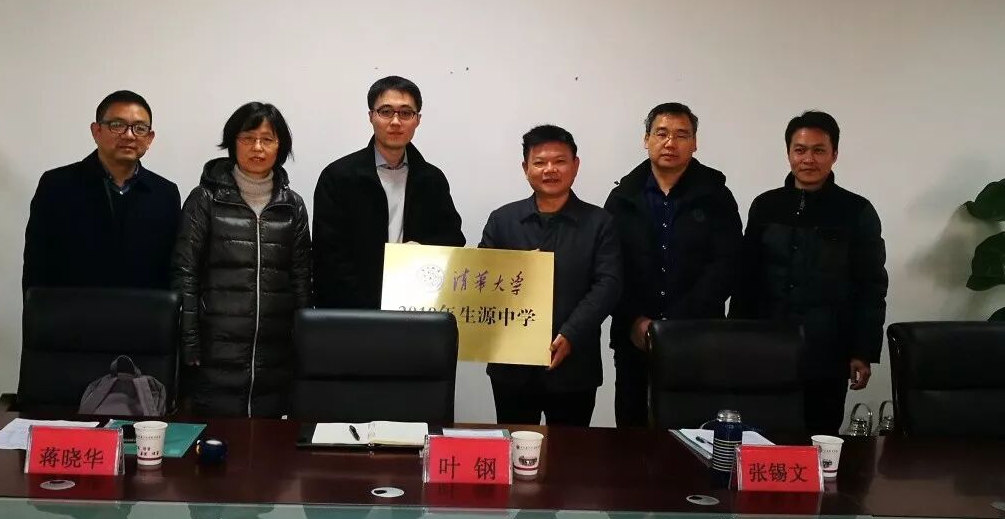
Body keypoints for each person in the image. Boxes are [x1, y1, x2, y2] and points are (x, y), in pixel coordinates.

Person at [730, 110, 887, 435]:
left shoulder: (856, 210)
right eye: (800, 150)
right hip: (767, 344)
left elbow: (871, 286)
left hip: (828, 350)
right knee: (761, 438)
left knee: (819, 441)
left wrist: (863, 350)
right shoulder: (766, 206)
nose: (808, 159)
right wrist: (736, 338)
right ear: (788, 153)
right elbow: (745, 278)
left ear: (834, 154)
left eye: (818, 150)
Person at [605, 103, 742, 428]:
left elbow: (727, 264)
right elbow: (610, 268)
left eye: (682, 135)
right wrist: (635, 319)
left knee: (694, 431)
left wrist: (678, 323)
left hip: (698, 336)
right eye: (661, 133)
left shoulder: (716, 196)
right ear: (646, 139)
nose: (670, 143)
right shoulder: (622, 198)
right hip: (634, 336)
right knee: (631, 429)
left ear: (695, 143)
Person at [172, 102, 311, 417]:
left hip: (274, 352)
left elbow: (302, 278)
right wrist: (189, 340)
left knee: (269, 438)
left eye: (267, 139)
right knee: (217, 436)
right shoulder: (205, 199)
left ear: (280, 146)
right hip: (215, 348)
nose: (257, 148)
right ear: (233, 143)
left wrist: (303, 341)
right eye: (248, 138)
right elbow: (185, 273)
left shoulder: (292, 206)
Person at [479, 125, 621, 427]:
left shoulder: (600, 222)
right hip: (512, 366)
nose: (550, 170)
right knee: (515, 445)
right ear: (525, 168)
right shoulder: (502, 220)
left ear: (576, 165)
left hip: (575, 364)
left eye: (560, 161)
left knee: (571, 451)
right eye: (540, 162)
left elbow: (608, 285)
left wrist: (570, 334)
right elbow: (482, 282)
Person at [312, 75, 465, 309]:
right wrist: (370, 306)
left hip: (416, 307)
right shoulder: (338, 177)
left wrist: (420, 253)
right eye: (385, 112)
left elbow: (452, 240)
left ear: (418, 120)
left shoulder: (432, 179)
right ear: (371, 116)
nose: (395, 121)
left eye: (405, 113)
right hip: (351, 312)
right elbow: (328, 255)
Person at [23, 90, 179, 291]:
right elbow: (36, 264)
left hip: (143, 309)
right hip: (72, 309)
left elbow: (172, 268)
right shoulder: (57, 185)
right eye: (117, 125)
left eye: (139, 128)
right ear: (96, 131)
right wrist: (36, 309)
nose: (129, 135)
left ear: (149, 138)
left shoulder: (165, 193)